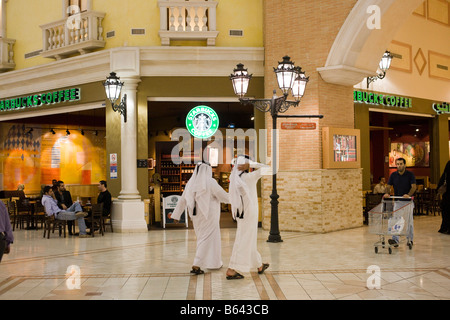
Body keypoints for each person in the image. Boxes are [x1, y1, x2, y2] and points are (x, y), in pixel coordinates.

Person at [169, 161, 229, 275]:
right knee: (205, 239)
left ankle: (215, 263)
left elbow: (183, 200)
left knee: (211, 238)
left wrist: (176, 215)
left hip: (196, 216)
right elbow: (223, 196)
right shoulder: (210, 182)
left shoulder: (190, 183)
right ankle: (196, 264)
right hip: (209, 216)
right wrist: (237, 200)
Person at [226, 155, 269, 280]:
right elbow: (268, 168)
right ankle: (232, 269)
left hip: (241, 213)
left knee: (248, 238)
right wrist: (252, 165)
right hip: (250, 213)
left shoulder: (234, 178)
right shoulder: (250, 177)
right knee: (244, 239)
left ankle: (259, 265)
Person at [384, 157, 416, 247]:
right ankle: (395, 240)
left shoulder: (410, 175)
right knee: (396, 221)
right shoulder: (393, 175)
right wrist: (387, 193)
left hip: (408, 202)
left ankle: (410, 240)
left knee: (409, 222)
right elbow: (388, 186)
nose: (399, 166)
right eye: (397, 164)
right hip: (398, 202)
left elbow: (414, 187)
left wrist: (408, 195)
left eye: (401, 164)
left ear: (405, 165)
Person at [437, 160, 450, 235]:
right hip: (448, 194)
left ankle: (445, 227)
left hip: (447, 194)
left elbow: (443, 178)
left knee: (446, 211)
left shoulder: (448, 164)